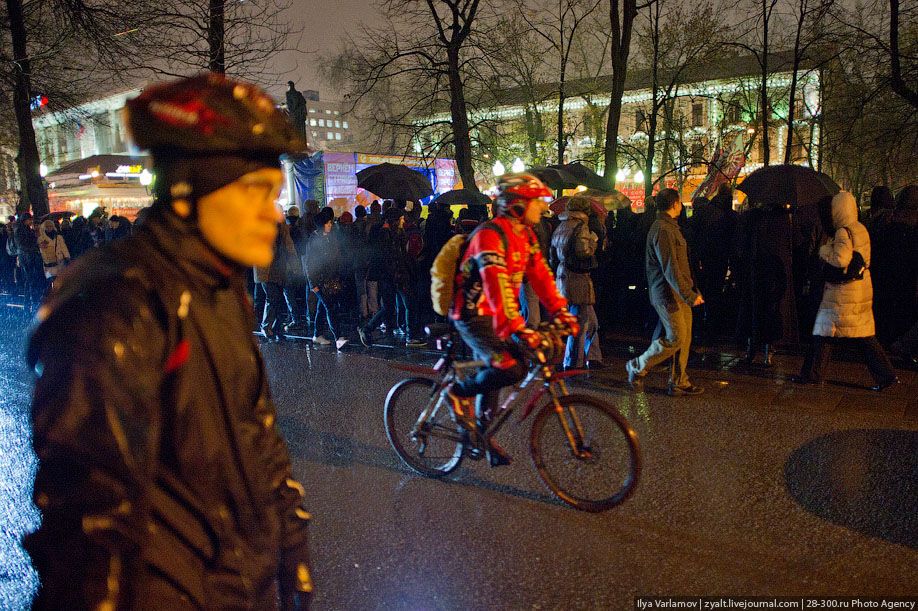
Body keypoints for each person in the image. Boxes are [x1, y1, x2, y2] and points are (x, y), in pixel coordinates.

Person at [25, 73, 313, 610]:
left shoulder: (218, 287)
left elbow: (257, 430)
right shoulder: (117, 302)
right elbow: (90, 516)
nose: (272, 215)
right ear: (188, 194)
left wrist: (290, 541)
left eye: (274, 195)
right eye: (255, 192)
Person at [446, 173, 579, 466]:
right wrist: (520, 329)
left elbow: (542, 277)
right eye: (536, 202)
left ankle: (482, 434)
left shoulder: (525, 235)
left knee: (505, 368)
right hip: (472, 315)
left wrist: (561, 311)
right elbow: (498, 289)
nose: (542, 207)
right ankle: (457, 392)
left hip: (497, 315)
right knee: (508, 367)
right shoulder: (489, 236)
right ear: (517, 204)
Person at [798, 191, 898, 390]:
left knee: (825, 332)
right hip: (859, 288)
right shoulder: (860, 228)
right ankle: (886, 375)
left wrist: (825, 250)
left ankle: (813, 374)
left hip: (842, 293)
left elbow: (840, 260)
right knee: (858, 335)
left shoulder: (843, 232)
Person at [625, 188, 704, 396]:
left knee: (683, 338)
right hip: (668, 294)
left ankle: (679, 381)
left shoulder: (669, 227)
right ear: (675, 204)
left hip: (678, 292)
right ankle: (638, 365)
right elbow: (670, 268)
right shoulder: (663, 229)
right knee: (676, 337)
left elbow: (680, 266)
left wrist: (691, 291)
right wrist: (688, 294)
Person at [550, 196, 604, 370]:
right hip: (578, 278)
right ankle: (573, 363)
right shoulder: (580, 227)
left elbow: (552, 253)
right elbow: (583, 252)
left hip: (563, 275)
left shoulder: (562, 225)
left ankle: (592, 357)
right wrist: (594, 241)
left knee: (590, 322)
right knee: (579, 323)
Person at [305, 208, 348, 349]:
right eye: (328, 223)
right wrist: (313, 283)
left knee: (322, 308)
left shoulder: (329, 238)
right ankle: (338, 337)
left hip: (329, 280)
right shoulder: (314, 240)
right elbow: (309, 263)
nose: (331, 225)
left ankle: (317, 335)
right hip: (320, 281)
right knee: (330, 307)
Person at [36, 218, 70, 284]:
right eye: (47, 226)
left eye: (51, 226)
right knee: (51, 281)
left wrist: (67, 256)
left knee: (60, 281)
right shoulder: (40, 239)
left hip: (59, 262)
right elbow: (40, 250)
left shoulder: (58, 237)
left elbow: (64, 248)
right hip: (48, 264)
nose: (49, 228)